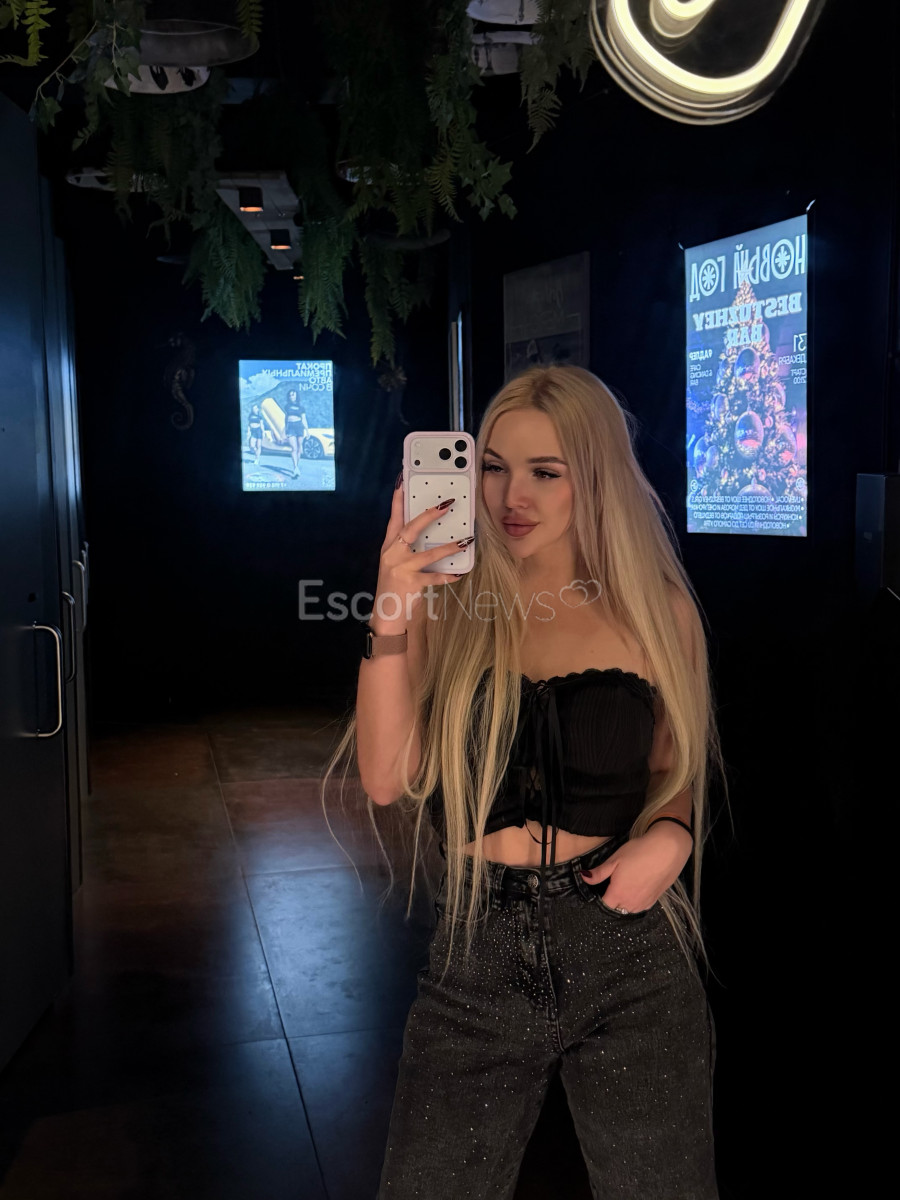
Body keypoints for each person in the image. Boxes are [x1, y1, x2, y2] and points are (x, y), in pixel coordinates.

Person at [322, 365, 725, 1199]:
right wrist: (392, 602)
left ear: (596, 478)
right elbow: (387, 777)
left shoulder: (658, 611)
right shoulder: (448, 602)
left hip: (628, 949)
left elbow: (672, 771)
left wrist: (673, 835)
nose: (512, 496)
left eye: (546, 472)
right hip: (477, 950)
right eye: (495, 467)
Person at [282, 388, 309, 478]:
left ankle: (297, 465)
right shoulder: (287, 406)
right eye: (290, 395)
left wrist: (307, 431)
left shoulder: (301, 408)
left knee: (299, 448)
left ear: (296, 396)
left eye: (293, 395)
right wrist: (285, 429)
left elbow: (304, 419)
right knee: (294, 448)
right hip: (290, 427)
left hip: (299, 426)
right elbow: (286, 418)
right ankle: (295, 468)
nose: (291, 397)